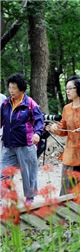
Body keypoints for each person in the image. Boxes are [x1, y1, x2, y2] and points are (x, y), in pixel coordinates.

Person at [0, 73, 44, 204]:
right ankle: (6, 196)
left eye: (14, 88)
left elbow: (39, 120)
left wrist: (37, 133)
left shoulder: (30, 103)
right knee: (3, 173)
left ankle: (29, 199)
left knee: (28, 173)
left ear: (21, 89)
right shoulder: (6, 103)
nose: (11, 91)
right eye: (9, 87)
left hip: (26, 144)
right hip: (8, 144)